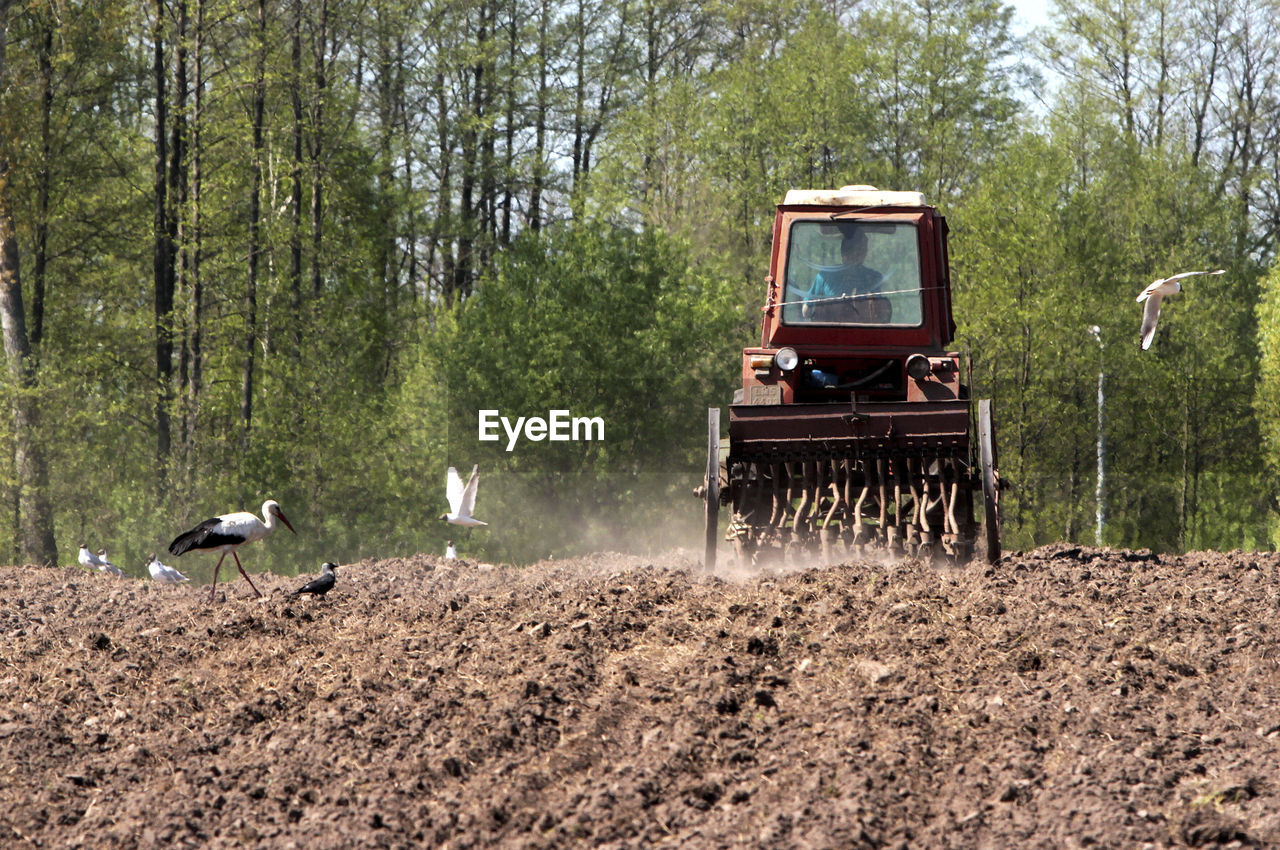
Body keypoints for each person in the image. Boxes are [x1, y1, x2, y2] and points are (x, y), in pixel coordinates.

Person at [802, 230, 885, 322]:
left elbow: (878, 314)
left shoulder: (873, 278)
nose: (858, 255)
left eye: (862, 250)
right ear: (843, 253)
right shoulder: (824, 276)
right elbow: (806, 312)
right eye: (854, 250)